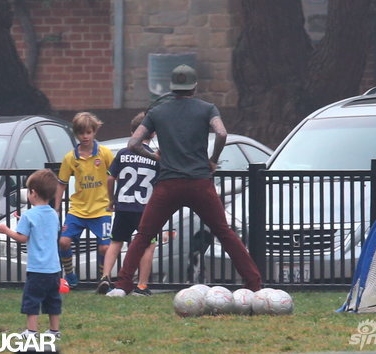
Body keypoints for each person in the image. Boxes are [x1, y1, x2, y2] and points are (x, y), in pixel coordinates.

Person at [107, 64, 262, 296]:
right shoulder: (207, 108)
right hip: (200, 182)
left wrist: (154, 156)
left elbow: (133, 143)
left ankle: (122, 285)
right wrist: (213, 160)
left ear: (172, 87)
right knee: (225, 232)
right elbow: (221, 133)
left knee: (143, 234)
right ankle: (253, 283)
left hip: (168, 184)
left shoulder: (157, 112)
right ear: (194, 86)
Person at [96, 112, 160, 296]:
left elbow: (110, 178)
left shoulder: (123, 154)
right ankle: (141, 285)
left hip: (123, 205)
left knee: (116, 242)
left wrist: (111, 200)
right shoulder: (155, 158)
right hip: (145, 208)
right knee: (148, 245)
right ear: (153, 134)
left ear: (133, 132)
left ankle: (106, 277)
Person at [0, 169, 62, 339]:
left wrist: (6, 230)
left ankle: (31, 331)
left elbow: (22, 237)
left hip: (37, 268)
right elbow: (47, 231)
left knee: (32, 299)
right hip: (54, 268)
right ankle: (54, 331)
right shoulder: (54, 215)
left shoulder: (29, 215)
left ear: (33, 193)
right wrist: (23, 222)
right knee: (53, 300)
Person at [55, 112, 114, 289]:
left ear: (94, 132)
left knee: (104, 248)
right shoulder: (70, 157)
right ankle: (71, 276)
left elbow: (116, 176)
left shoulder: (104, 153)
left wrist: (114, 199)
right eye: (81, 133)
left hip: (101, 209)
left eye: (89, 132)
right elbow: (61, 183)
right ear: (76, 134)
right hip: (78, 209)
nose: (85, 136)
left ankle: (103, 279)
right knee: (64, 241)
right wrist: (56, 207)